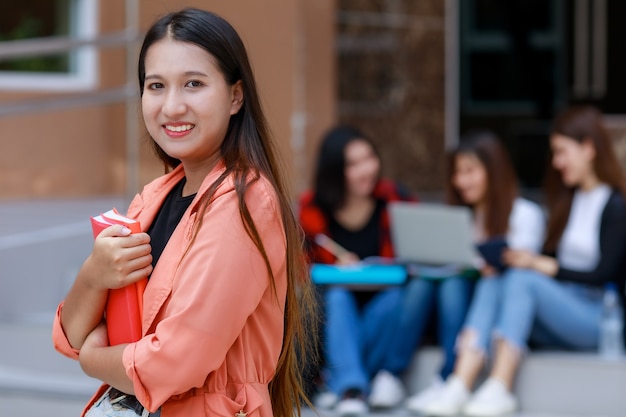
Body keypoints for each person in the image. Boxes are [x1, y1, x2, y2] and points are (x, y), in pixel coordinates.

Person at [52, 8, 318, 417]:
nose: (172, 106)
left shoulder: (245, 201)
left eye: (193, 84)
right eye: (156, 85)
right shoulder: (155, 196)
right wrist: (93, 275)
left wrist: (94, 360)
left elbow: (173, 363)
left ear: (235, 95)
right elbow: (70, 335)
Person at [421, 105, 626, 417]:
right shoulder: (567, 202)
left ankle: (500, 385)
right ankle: (461, 381)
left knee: (521, 276)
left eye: (561, 152)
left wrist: (539, 264)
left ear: (588, 148)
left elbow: (604, 274)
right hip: (558, 313)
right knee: (501, 274)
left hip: (596, 320)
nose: (556, 163)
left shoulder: (615, 206)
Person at [394, 130, 545, 415]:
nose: (461, 181)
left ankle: (457, 380)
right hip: (462, 305)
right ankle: (448, 381)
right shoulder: (461, 219)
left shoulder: (525, 215)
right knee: (437, 282)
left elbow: (521, 275)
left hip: (503, 311)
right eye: (457, 172)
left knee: (493, 279)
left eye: (470, 171)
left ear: (493, 170)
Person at [298, 125, 417, 416]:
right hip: (334, 311)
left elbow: (418, 251)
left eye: (369, 158)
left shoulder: (393, 197)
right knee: (337, 296)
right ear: (334, 170)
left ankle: (340, 382)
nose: (366, 170)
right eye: (353, 164)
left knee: (397, 298)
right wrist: (335, 267)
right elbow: (300, 269)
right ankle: (352, 387)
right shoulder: (312, 207)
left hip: (385, 305)